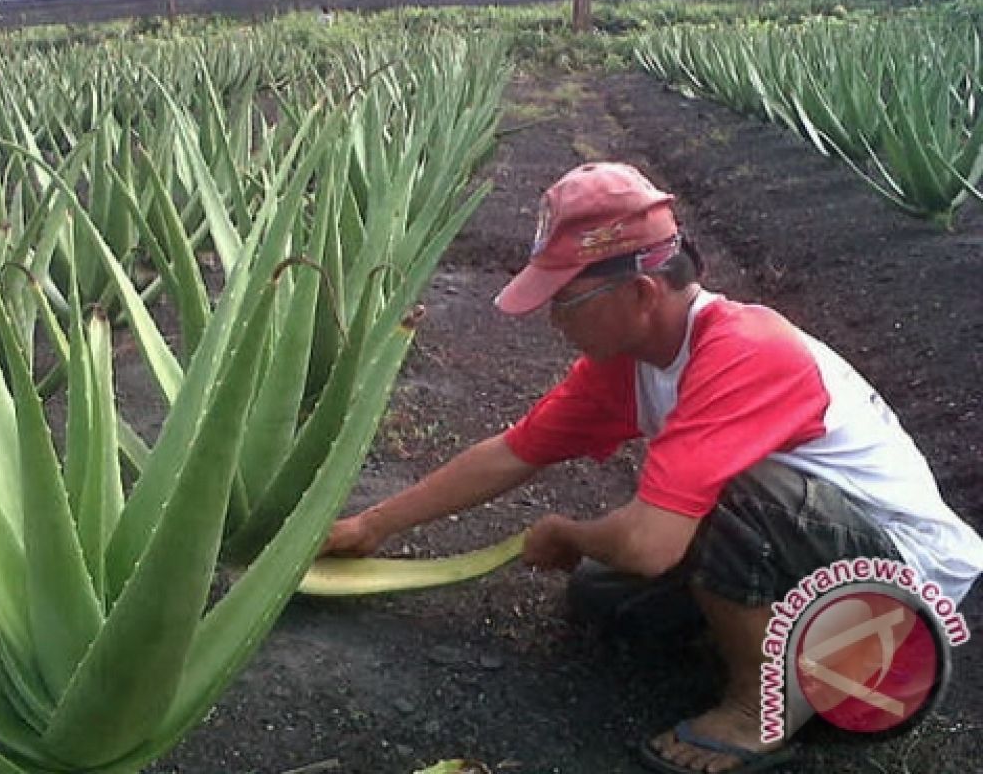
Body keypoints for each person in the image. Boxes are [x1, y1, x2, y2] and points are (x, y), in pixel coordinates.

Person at [321, 162, 983, 773]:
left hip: (894, 574)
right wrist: (372, 527)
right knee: (602, 597)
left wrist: (570, 533)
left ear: (639, 292)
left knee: (726, 499)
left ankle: (760, 713)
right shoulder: (630, 363)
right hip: (808, 549)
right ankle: (772, 640)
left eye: (564, 300)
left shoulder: (745, 349)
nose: (553, 320)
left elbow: (647, 543)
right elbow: (513, 451)